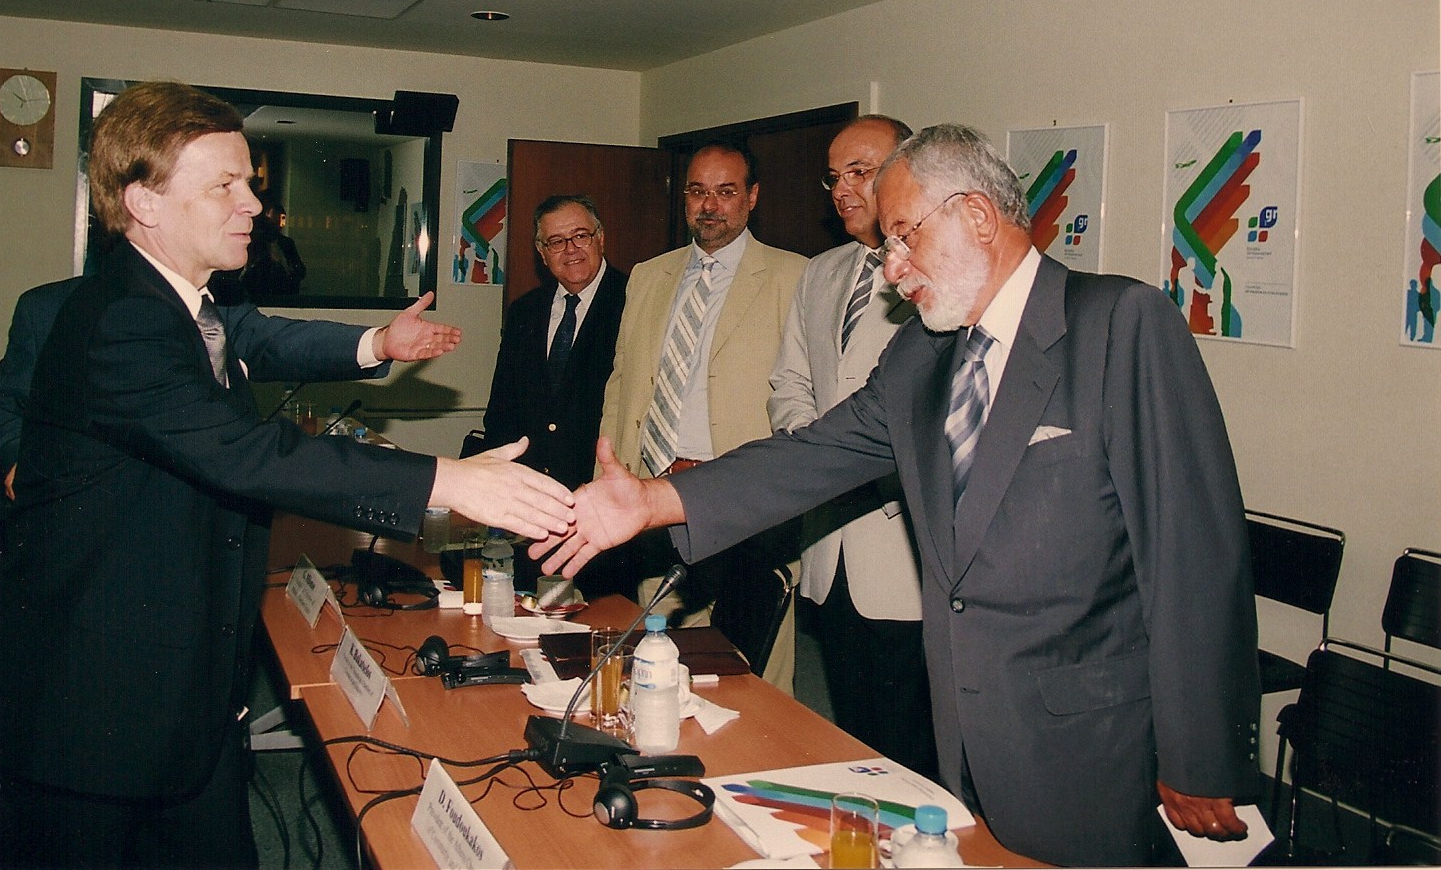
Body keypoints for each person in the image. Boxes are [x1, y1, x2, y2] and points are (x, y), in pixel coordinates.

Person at [537, 124, 1260, 867]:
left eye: (905, 238)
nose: (892, 270)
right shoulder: (922, 353)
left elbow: (1195, 557)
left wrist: (1202, 753)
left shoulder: (1119, 327)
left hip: (1090, 742)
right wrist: (655, 501)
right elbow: (812, 454)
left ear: (978, 217)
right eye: (887, 246)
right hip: (963, 733)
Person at [0, 81, 573, 869]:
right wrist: (445, 482)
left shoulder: (184, 298)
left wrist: (376, 345)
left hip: (182, 692)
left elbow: (260, 336)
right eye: (224, 185)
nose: (253, 204)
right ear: (144, 202)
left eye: (250, 183)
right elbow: (247, 452)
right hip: (85, 712)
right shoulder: (121, 320)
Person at [599, 142, 807, 690]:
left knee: (753, 665)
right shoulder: (648, 276)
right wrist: (610, 474)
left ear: (752, 198)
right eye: (697, 192)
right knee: (659, 654)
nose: (709, 206)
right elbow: (622, 383)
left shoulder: (795, 277)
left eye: (725, 192)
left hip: (744, 493)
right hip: (657, 490)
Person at [767, 114, 937, 777]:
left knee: (913, 743)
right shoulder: (823, 273)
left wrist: (849, 464)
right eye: (834, 177)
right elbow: (789, 381)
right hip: (829, 545)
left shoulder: (932, 276)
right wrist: (816, 459)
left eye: (860, 172)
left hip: (903, 552)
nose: (842, 189)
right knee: (854, 735)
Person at [0, 275, 460, 484]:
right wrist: (20, 461)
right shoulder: (49, 308)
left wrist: (378, 343)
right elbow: (4, 406)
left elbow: (277, 340)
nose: (249, 207)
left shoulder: (211, 315)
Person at [480, 195, 627, 595]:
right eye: (556, 241)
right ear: (541, 253)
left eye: (580, 236)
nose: (570, 250)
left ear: (601, 239)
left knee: (595, 628)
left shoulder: (635, 301)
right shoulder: (524, 310)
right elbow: (501, 412)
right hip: (528, 508)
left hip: (599, 508)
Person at [241, 200, 305, 300]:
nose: (276, 225)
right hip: (257, 296)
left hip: (282, 296)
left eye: (280, 221)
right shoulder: (254, 242)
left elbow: (300, 271)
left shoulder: (286, 243)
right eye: (272, 221)